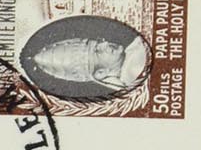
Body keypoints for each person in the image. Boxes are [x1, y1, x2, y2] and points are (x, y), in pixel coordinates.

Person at [21, 23, 150, 103]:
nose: (105, 43)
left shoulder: (137, 46)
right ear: (100, 73)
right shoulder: (136, 70)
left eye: (98, 42)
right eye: (97, 51)